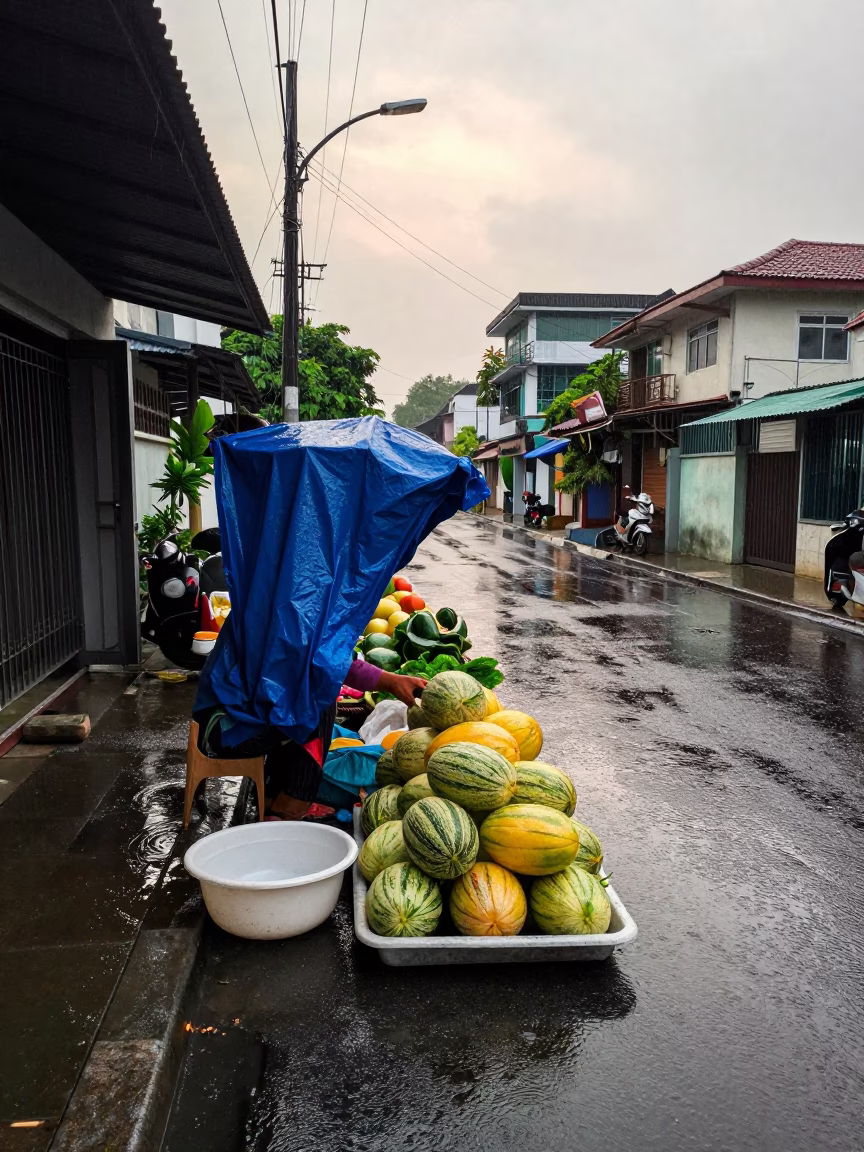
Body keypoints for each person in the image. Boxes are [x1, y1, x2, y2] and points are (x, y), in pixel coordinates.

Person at [193, 658, 425, 820]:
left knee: (298, 702)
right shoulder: (291, 612)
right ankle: (292, 804)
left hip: (228, 715)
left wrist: (391, 680)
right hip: (226, 728)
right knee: (316, 700)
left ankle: (274, 796)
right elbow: (324, 663)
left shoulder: (280, 603)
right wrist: (390, 681)